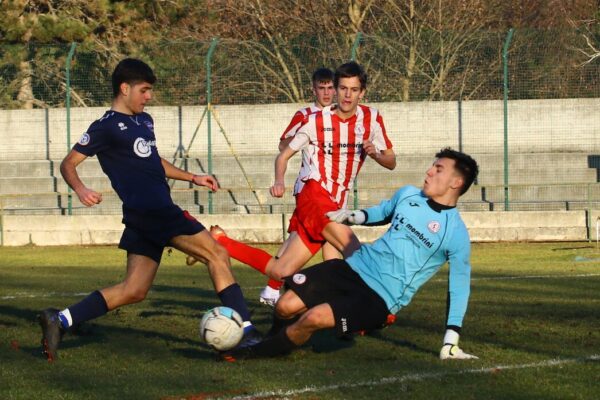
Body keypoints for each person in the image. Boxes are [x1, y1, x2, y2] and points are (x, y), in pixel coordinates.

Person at [38, 58, 259, 362]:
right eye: (144, 90)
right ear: (124, 88)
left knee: (134, 290)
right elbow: (68, 163)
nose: (148, 96)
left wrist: (192, 176)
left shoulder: (145, 122)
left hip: (147, 214)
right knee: (216, 254)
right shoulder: (104, 128)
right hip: (154, 211)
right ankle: (246, 333)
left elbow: (154, 162)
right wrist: (81, 189)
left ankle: (60, 320)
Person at [223, 148, 480, 361]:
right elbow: (382, 212)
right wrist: (353, 216)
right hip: (352, 268)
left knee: (313, 318)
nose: (429, 171)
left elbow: (458, 288)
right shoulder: (409, 194)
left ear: (456, 182)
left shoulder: (455, 233)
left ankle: (254, 353)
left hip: (379, 298)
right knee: (284, 305)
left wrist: (451, 340)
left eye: (438, 169)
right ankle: (274, 342)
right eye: (432, 166)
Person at [206, 61, 396, 306]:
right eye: (342, 88)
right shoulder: (315, 121)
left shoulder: (372, 119)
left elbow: (391, 161)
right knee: (351, 249)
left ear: (363, 92)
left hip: (338, 200)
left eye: (354, 89)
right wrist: (278, 180)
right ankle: (378, 306)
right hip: (313, 193)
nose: (347, 95)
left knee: (282, 270)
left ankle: (221, 242)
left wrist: (376, 154)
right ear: (336, 91)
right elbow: (283, 153)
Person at [186, 67, 343, 305]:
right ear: (313, 90)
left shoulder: (343, 117)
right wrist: (305, 136)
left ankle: (269, 288)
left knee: (293, 249)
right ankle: (339, 303)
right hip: (311, 192)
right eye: (321, 88)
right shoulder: (306, 116)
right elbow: (283, 146)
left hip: (329, 194)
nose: (326, 93)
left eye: (330, 87)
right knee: (330, 246)